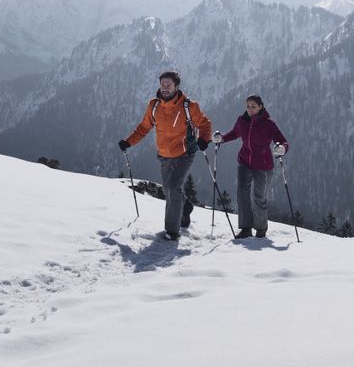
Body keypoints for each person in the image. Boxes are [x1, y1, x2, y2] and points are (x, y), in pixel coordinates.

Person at [119, 71, 212, 241]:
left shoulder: (189, 106)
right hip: (164, 154)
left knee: (172, 187)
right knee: (169, 188)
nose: (165, 88)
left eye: (168, 84)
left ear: (176, 86)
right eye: (162, 84)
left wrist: (205, 139)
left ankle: (172, 231)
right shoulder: (154, 106)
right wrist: (128, 142)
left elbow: (205, 124)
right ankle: (186, 207)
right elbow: (143, 128)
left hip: (185, 153)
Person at [212, 95, 289, 239]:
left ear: (261, 107)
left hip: (264, 166)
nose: (250, 109)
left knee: (259, 197)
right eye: (248, 106)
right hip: (244, 162)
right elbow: (235, 133)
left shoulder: (268, 124)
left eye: (253, 106)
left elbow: (282, 141)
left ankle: (261, 229)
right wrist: (221, 139)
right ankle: (246, 228)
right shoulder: (242, 120)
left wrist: (282, 149)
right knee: (242, 194)